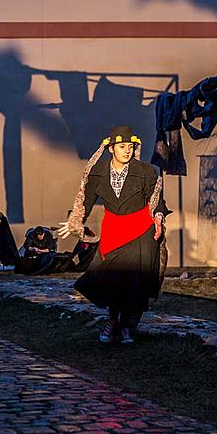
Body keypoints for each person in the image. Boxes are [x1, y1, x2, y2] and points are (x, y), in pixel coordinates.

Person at [58, 126, 166, 345]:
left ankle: (127, 326)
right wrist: (76, 221)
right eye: (121, 146)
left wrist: (159, 217)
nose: (126, 151)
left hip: (140, 230)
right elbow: (85, 200)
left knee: (135, 282)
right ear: (111, 149)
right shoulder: (98, 173)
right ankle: (112, 320)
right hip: (114, 230)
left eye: (130, 146)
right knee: (110, 278)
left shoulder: (146, 172)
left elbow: (157, 201)